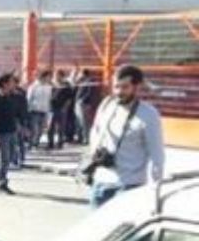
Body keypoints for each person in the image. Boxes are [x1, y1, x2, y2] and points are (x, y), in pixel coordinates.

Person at [88, 65, 165, 208]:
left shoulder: (148, 114)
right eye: (116, 87)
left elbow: (157, 155)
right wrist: (95, 154)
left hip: (129, 185)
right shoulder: (106, 105)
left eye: (124, 87)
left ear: (137, 87)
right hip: (101, 182)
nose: (119, 92)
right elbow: (95, 131)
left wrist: (156, 189)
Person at [26, 70, 52, 148]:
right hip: (34, 110)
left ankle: (36, 142)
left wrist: (48, 111)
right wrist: (28, 109)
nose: (49, 79)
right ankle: (31, 143)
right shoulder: (34, 86)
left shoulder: (48, 87)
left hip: (44, 110)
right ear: (43, 77)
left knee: (41, 129)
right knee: (34, 129)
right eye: (48, 77)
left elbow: (49, 99)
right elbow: (29, 98)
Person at [48, 69, 73, 149]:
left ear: (62, 76)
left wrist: (65, 107)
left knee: (61, 127)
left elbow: (69, 98)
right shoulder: (51, 84)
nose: (56, 77)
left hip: (62, 108)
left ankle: (60, 143)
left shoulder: (67, 85)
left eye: (57, 75)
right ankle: (50, 143)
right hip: (52, 108)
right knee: (50, 127)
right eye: (55, 75)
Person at [9, 75, 30, 167]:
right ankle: (13, 159)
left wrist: (25, 124)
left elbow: (24, 110)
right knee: (11, 142)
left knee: (19, 141)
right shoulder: (4, 94)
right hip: (8, 121)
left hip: (18, 121)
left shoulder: (20, 95)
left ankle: (21, 158)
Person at [74, 69, 99, 145]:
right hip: (78, 103)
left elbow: (89, 93)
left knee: (85, 122)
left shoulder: (89, 81)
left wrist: (82, 100)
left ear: (83, 74)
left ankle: (86, 139)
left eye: (80, 74)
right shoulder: (82, 81)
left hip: (84, 104)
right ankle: (80, 137)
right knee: (79, 122)